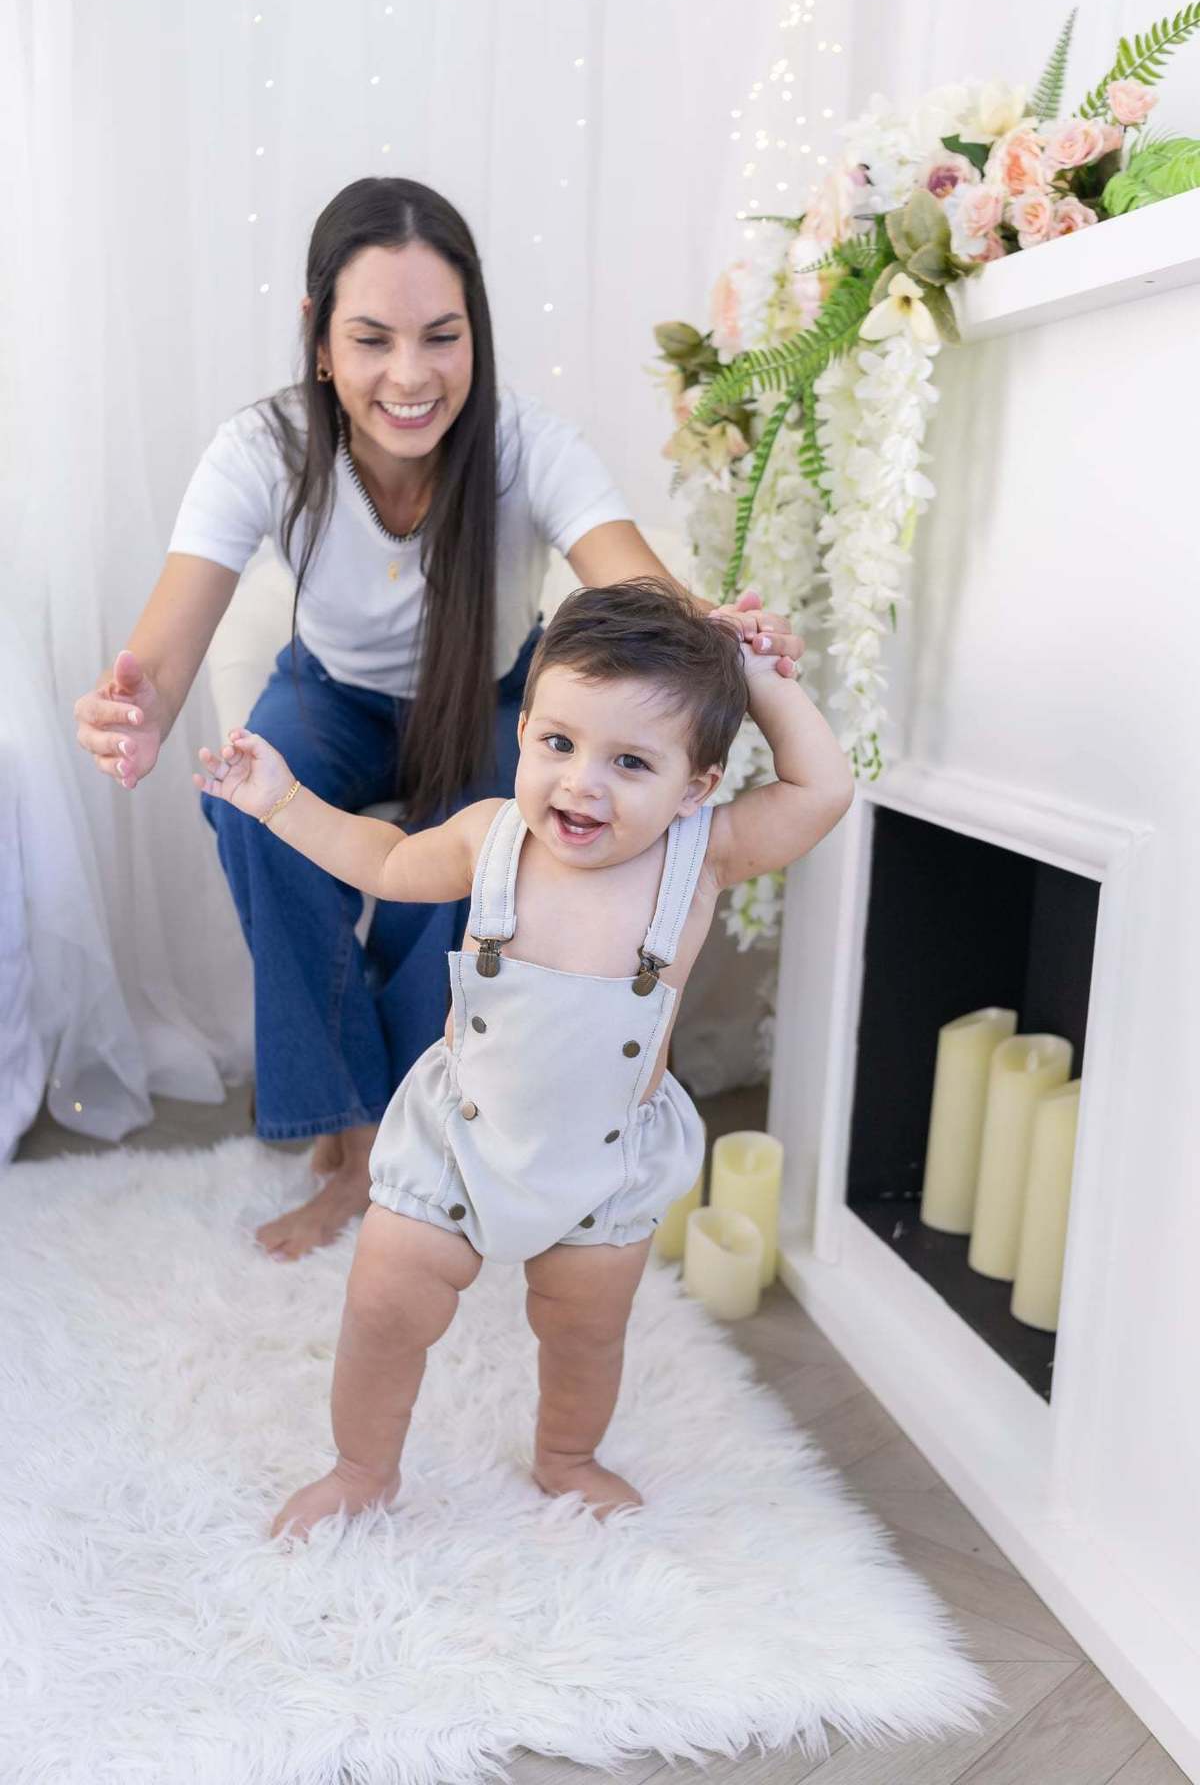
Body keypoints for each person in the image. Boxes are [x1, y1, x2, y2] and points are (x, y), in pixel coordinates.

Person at [72, 176, 806, 1260]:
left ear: (478, 337)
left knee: (478, 854)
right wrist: (133, 712)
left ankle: (408, 1147)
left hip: (490, 702)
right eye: (371, 339)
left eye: (441, 337)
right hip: (329, 698)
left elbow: (636, 587)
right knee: (249, 814)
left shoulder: (528, 445)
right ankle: (358, 1129)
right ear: (321, 340)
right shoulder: (261, 449)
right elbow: (163, 657)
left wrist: (721, 633)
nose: (409, 377)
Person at [193, 578, 854, 1536]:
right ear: (526, 733)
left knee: (582, 1329)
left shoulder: (699, 854)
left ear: (695, 787)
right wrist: (282, 798)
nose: (581, 783)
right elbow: (381, 861)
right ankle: (361, 1467)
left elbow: (823, 789)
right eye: (559, 743)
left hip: (603, 1161)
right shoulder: (492, 837)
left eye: (631, 761)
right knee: (384, 1302)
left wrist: (758, 680)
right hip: (461, 1138)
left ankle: (567, 1454)